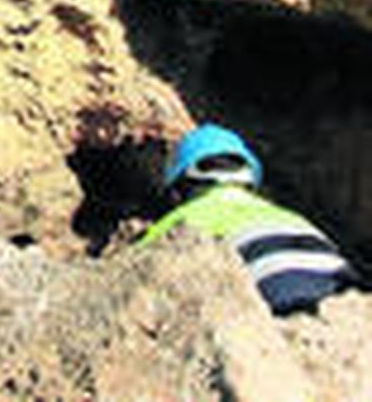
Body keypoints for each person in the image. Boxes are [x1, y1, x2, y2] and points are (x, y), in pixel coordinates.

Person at [141, 123, 359, 317]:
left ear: (178, 191)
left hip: (275, 307)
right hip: (348, 307)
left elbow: (133, 275)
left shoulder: (179, 223)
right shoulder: (293, 219)